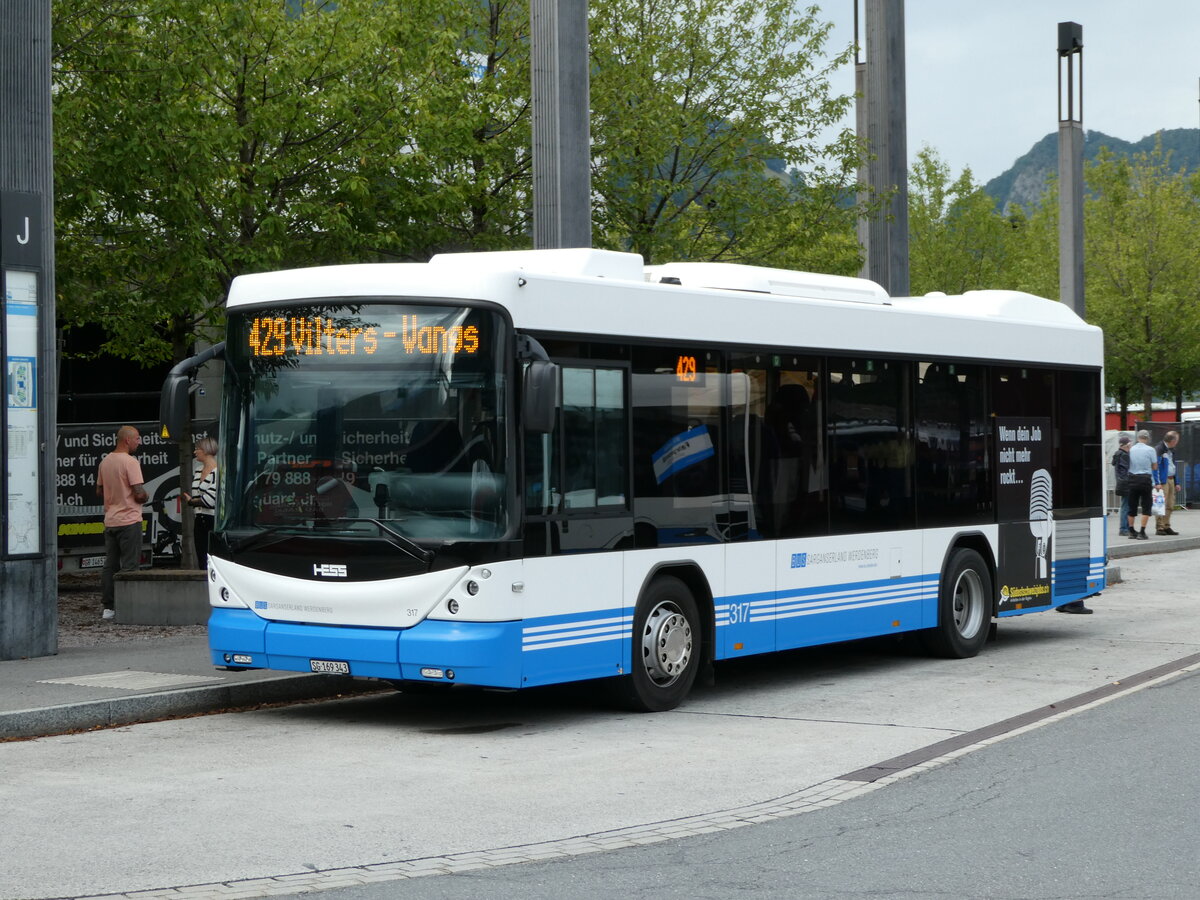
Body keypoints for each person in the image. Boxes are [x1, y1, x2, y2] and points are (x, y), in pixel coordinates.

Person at [95, 425, 148, 619]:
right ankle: (129, 607)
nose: (139, 442)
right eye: (137, 439)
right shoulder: (130, 462)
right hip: (129, 520)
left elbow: (99, 491)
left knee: (110, 565)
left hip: (111, 521)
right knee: (130, 566)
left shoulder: (105, 462)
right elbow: (139, 493)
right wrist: (145, 496)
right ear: (127, 440)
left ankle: (109, 607)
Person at [182, 437, 218, 569]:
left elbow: (210, 500)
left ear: (206, 451)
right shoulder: (197, 470)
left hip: (213, 520)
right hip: (199, 518)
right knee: (201, 556)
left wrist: (192, 502)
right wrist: (195, 502)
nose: (195, 452)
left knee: (213, 557)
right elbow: (199, 496)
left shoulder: (219, 471)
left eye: (197, 449)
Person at [1126, 429, 1158, 541]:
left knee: (1132, 506)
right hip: (1145, 479)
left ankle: (1131, 531)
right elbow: (1154, 467)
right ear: (1147, 438)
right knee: (1146, 506)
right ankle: (1142, 532)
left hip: (1132, 479)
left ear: (1138, 438)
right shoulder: (1151, 450)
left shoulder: (1131, 449)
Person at [1154, 430, 1181, 536]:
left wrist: (1176, 482)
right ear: (1173, 441)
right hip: (1163, 481)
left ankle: (1166, 525)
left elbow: (1173, 466)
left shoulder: (1172, 450)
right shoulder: (1159, 449)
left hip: (1171, 479)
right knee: (1160, 504)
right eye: (1177, 440)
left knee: (1170, 504)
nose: (1177, 442)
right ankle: (1159, 527)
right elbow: (1155, 467)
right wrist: (1157, 482)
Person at [1112, 433, 1131, 536]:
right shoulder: (1124, 455)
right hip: (1126, 483)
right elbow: (1126, 470)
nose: (1130, 447)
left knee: (1125, 505)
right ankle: (1124, 528)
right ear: (1126, 445)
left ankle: (1125, 527)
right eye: (1129, 445)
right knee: (1126, 506)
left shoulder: (1117, 454)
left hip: (1120, 482)